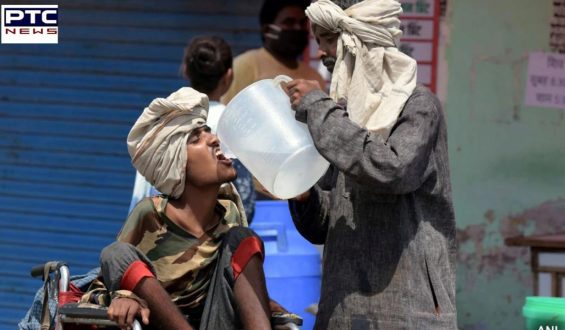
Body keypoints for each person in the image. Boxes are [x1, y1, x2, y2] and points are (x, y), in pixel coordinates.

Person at [283, 0, 457, 329]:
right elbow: (325, 224)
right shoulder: (340, 117)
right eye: (317, 42)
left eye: (329, 39)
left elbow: (391, 171)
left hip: (408, 310)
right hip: (344, 310)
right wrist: (301, 191)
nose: (321, 53)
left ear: (359, 38)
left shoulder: (419, 106)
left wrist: (319, 109)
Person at [87, 88, 278, 329]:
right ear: (179, 164)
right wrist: (125, 297)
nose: (214, 139)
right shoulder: (151, 215)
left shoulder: (229, 215)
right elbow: (104, 283)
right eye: (196, 138)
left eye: (208, 132)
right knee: (116, 253)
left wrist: (261, 303)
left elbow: (229, 285)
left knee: (243, 238)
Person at [129, 36, 256, 222]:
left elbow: (141, 196)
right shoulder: (239, 124)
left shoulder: (163, 121)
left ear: (186, 70)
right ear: (229, 76)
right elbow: (246, 203)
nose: (211, 139)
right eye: (196, 138)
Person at [221, 0, 326, 200]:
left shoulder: (314, 77)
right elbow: (229, 123)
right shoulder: (246, 65)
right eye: (288, 22)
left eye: (302, 23)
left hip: (304, 187)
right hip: (257, 191)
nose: (297, 28)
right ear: (267, 29)